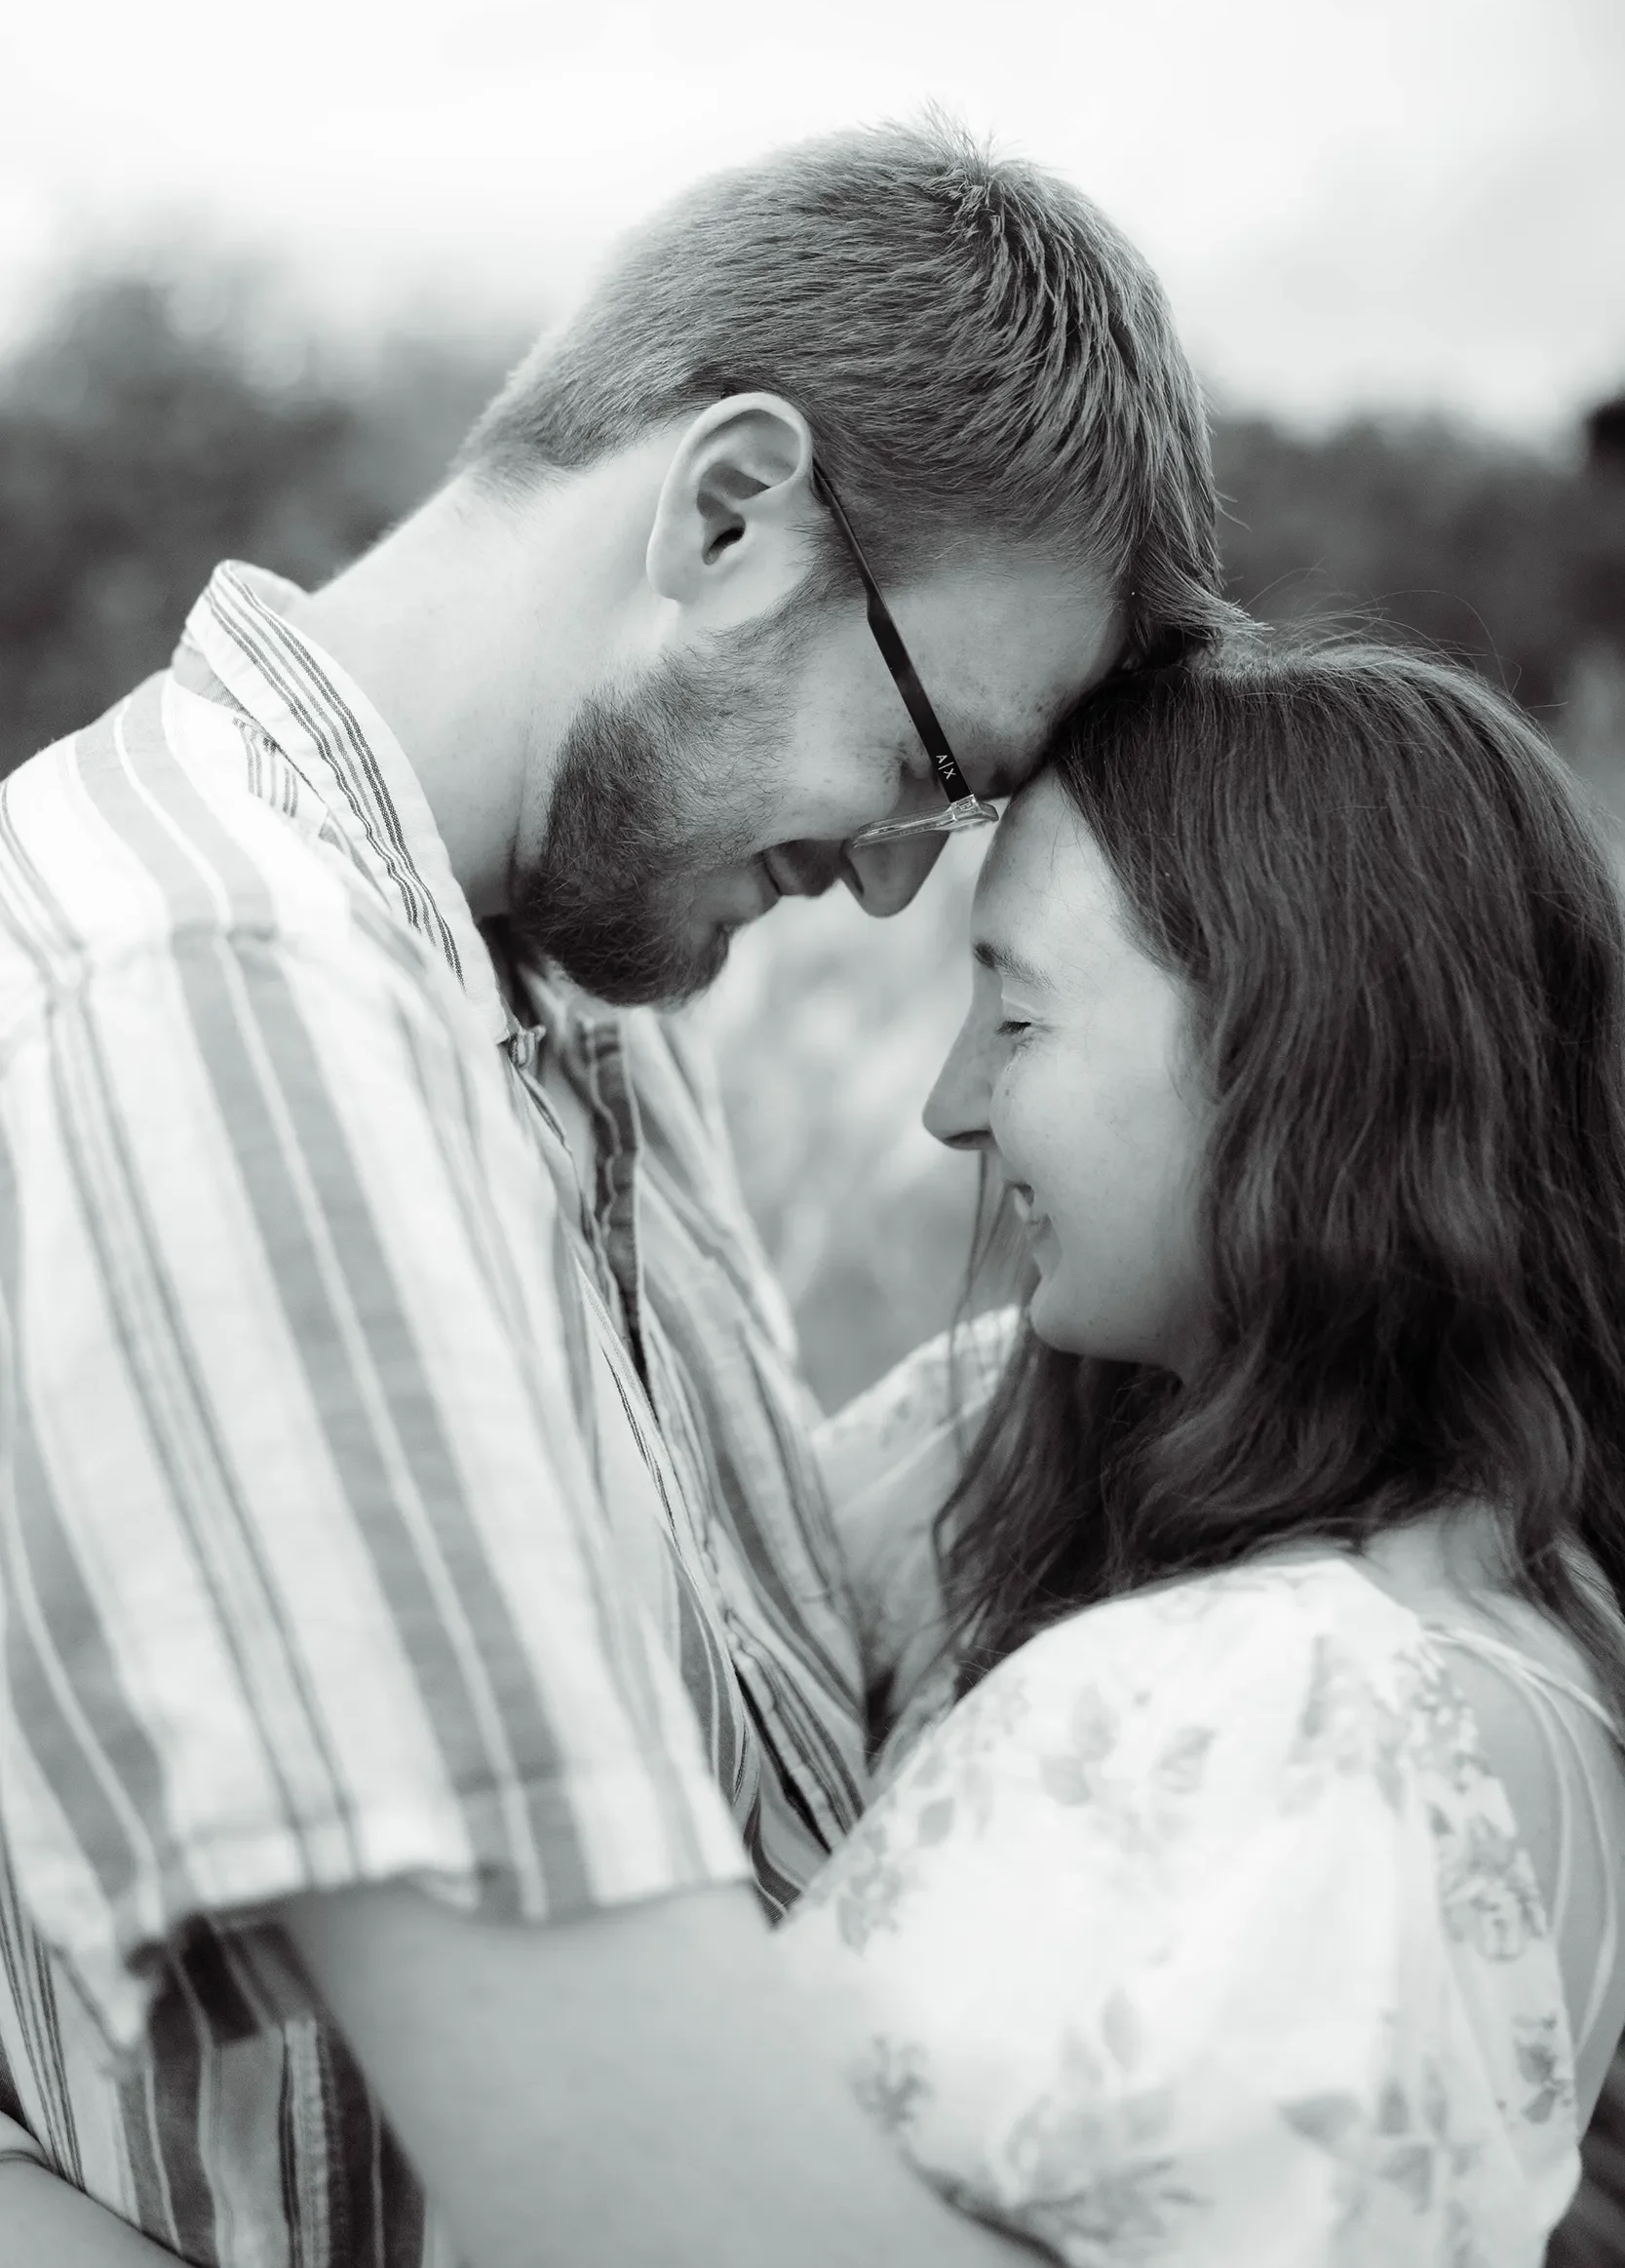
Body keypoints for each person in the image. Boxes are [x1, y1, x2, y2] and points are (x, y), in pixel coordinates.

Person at [0, 119, 1234, 2265]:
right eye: (938, 766)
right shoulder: (215, 999)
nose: (886, 883)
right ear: (729, 508)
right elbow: (655, 2208)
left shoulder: (572, 987)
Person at [794, 632, 1625, 2266]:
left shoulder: (1309, 1709)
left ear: (1291, 1052)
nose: (948, 1109)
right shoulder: (1505, 1588)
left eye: (1016, 1019)